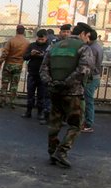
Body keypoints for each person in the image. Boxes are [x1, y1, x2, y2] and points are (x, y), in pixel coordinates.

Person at [40, 23, 94, 168]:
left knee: (54, 123)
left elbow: (43, 69)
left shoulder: (54, 46)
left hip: (55, 92)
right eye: (88, 36)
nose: (88, 39)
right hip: (73, 94)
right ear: (83, 33)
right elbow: (83, 70)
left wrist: (52, 83)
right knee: (76, 124)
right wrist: (66, 83)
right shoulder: (83, 48)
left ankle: (52, 151)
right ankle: (62, 151)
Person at [0, 25, 29, 109]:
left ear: (16, 31)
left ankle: (2, 102)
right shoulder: (27, 42)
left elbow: (5, 53)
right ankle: (12, 102)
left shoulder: (11, 40)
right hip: (18, 65)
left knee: (4, 84)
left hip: (8, 64)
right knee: (14, 85)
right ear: (24, 31)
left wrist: (0, 62)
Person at [23, 29, 51, 123]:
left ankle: (40, 112)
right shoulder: (32, 45)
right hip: (32, 72)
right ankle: (28, 111)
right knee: (30, 93)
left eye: (42, 39)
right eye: (39, 39)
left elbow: (51, 58)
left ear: (46, 38)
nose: (40, 40)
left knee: (41, 94)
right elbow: (25, 57)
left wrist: (43, 55)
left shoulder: (49, 46)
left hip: (43, 74)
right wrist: (31, 54)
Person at [81, 28, 104, 133]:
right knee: (88, 100)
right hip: (95, 76)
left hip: (91, 77)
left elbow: (90, 65)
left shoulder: (92, 49)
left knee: (88, 101)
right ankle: (87, 122)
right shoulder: (97, 46)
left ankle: (88, 123)